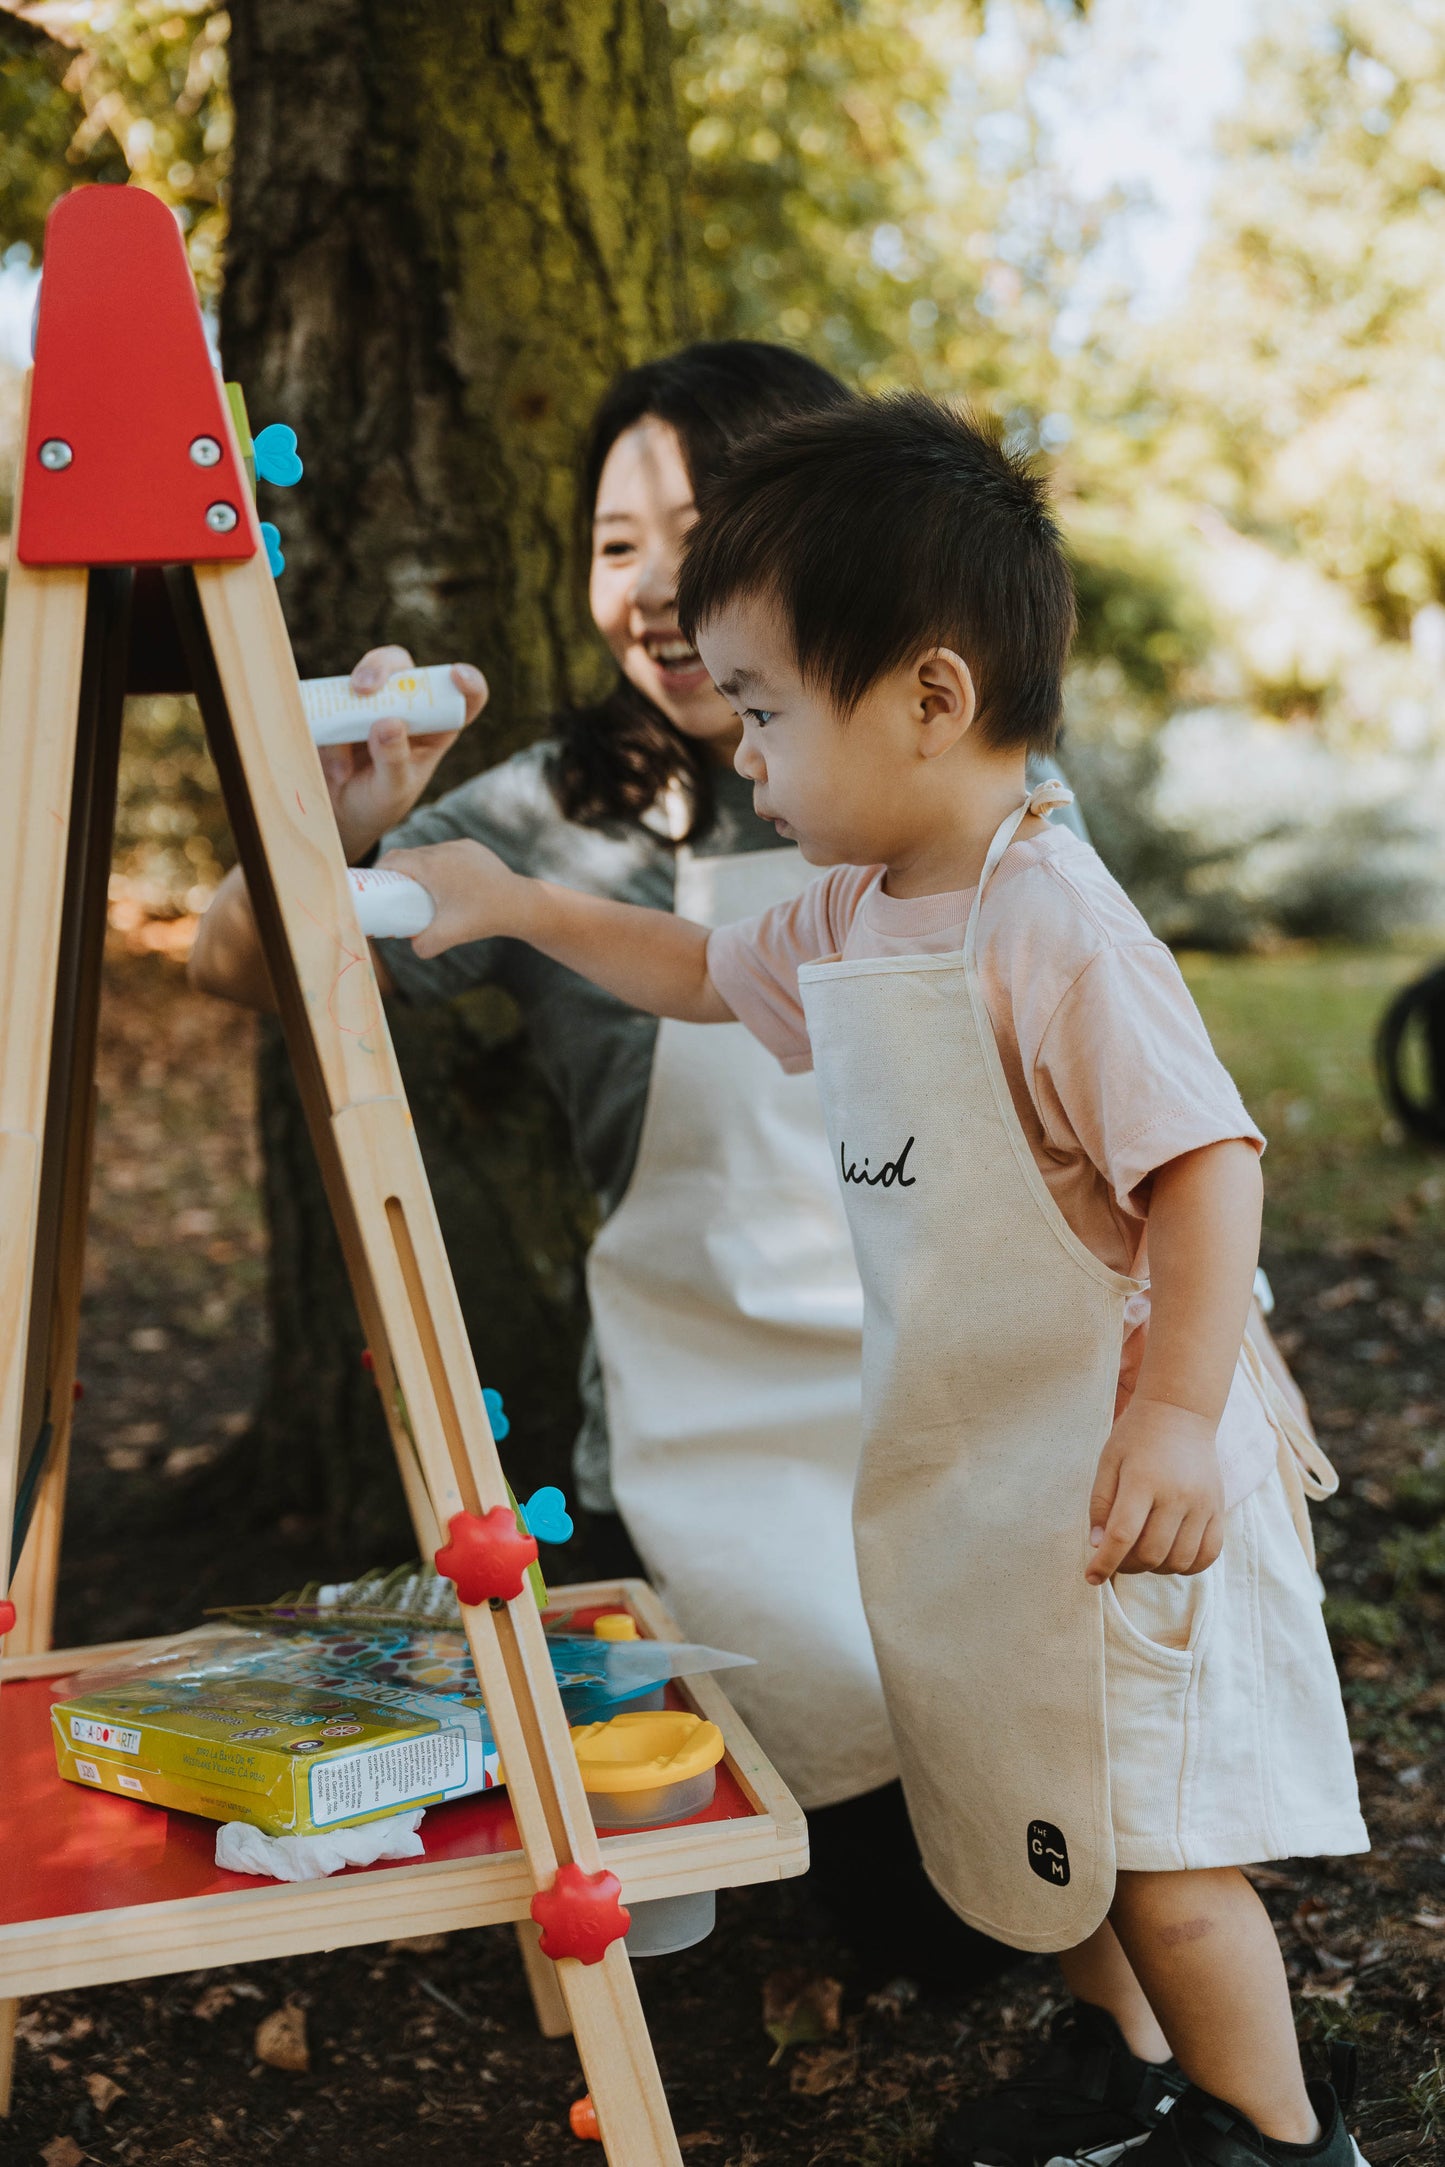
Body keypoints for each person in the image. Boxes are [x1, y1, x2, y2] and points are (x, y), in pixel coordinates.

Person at [379, 394, 1370, 2167]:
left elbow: (1207, 1167)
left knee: (1159, 1857)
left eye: (766, 711)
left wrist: (1169, 1419)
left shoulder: (1051, 922)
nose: (745, 758)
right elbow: (697, 970)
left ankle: (1275, 2138)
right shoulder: (862, 906)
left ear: (929, 698)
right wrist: (518, 905)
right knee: (1030, 1792)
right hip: (998, 1462)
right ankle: (1122, 2067)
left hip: (1132, 1474)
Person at [191, 340, 1081, 1988]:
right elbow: (229, 959)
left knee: (1010, 1900)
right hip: (712, 1436)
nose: (657, 587)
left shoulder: (965, 800)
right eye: (616, 543)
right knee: (886, 1902)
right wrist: (339, 821)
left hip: (957, 1397)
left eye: (701, 528)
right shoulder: (545, 818)